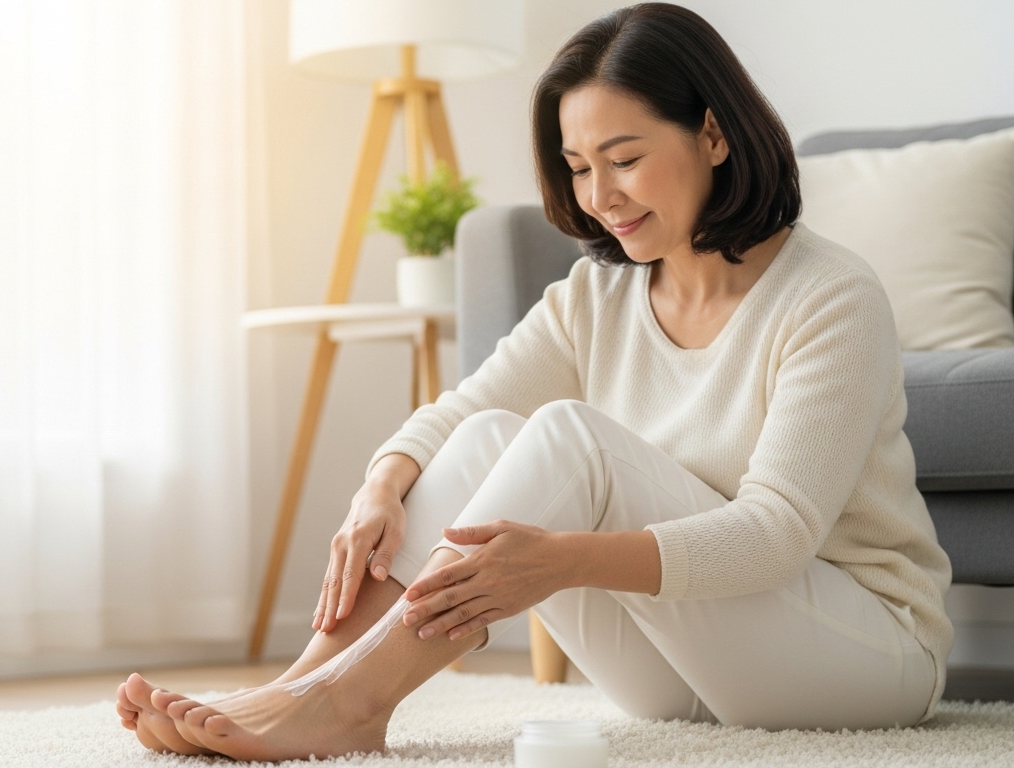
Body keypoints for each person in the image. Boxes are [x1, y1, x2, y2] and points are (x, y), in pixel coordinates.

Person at [114, 3, 953, 760]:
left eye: (623, 159)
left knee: (572, 436)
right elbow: (468, 409)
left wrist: (559, 563)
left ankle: (349, 703)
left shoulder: (830, 296)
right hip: (685, 678)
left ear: (713, 135)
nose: (600, 198)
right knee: (484, 438)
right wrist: (382, 482)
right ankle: (304, 685)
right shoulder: (600, 292)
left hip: (865, 660)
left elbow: (777, 535)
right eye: (579, 165)